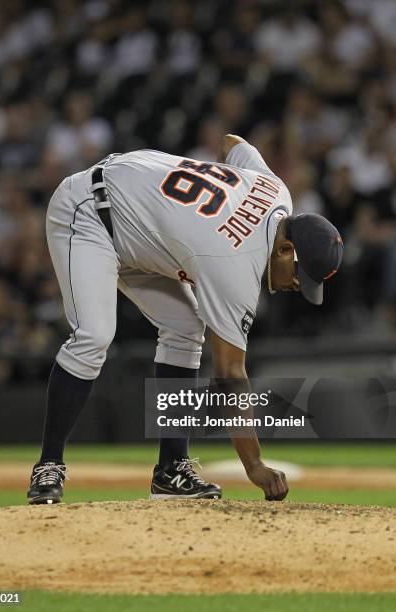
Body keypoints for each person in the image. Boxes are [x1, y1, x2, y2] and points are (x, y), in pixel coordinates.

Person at [27, 134, 343, 504]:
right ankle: (48, 465)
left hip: (138, 224)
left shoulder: (275, 190)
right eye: (299, 276)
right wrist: (254, 464)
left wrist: (208, 203)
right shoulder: (236, 264)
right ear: (287, 249)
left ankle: (171, 470)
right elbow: (229, 374)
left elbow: (231, 142)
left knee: (185, 327)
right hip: (88, 213)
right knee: (94, 336)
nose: (294, 286)